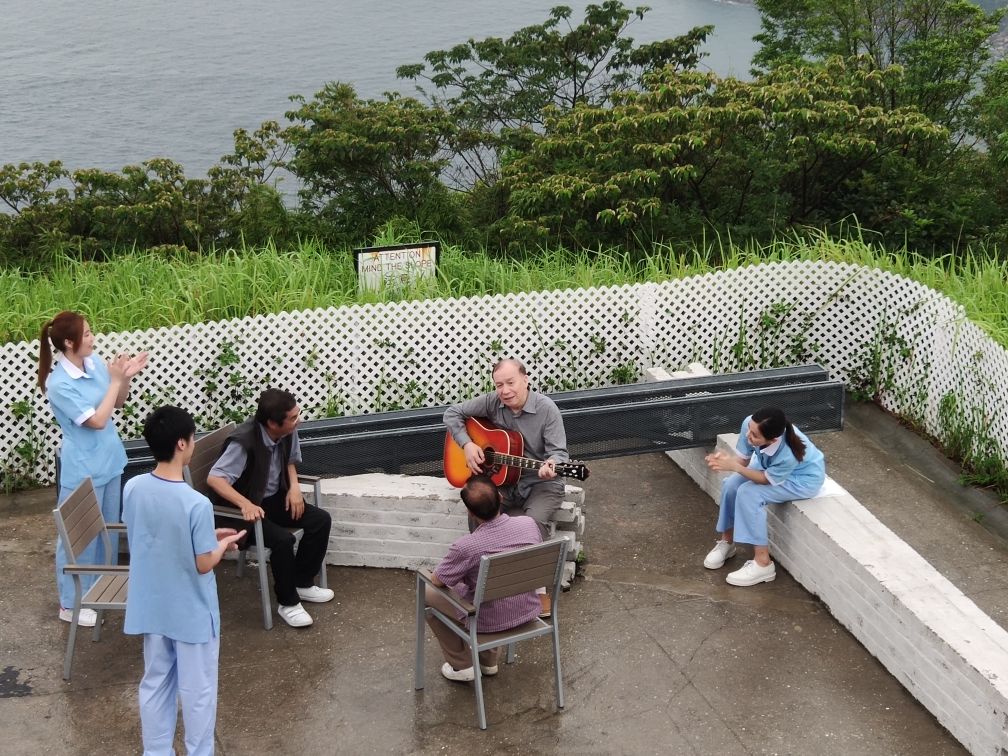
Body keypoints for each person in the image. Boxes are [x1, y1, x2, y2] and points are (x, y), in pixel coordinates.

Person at [123, 406, 244, 756]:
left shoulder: (133, 488)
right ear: (181, 443)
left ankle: (156, 751)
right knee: (198, 691)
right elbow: (203, 563)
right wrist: (218, 545)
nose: (193, 444)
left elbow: (151, 533)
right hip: (191, 612)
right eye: (192, 438)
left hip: (153, 606)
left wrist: (205, 537)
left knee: (156, 683)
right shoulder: (196, 503)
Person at [39, 310, 148, 627]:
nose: (92, 338)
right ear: (69, 342)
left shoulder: (95, 363)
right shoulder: (59, 384)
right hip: (82, 468)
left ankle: (100, 589)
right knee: (78, 536)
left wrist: (124, 379)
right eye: (86, 334)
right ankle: (70, 603)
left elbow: (117, 403)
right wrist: (115, 380)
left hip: (109, 461)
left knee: (106, 532)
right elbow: (97, 421)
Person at [443, 358, 568, 617]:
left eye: (511, 382)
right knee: (479, 511)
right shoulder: (492, 402)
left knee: (533, 524)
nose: (505, 390)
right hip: (505, 481)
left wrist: (551, 466)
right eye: (499, 385)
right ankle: (482, 579)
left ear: (525, 379)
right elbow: (452, 413)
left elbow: (559, 454)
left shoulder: (547, 409)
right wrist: (467, 444)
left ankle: (536, 590)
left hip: (541, 483)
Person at [206, 388, 333, 628]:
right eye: (293, 417)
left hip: (274, 499)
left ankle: (301, 583)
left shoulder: (288, 430)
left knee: (320, 520)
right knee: (283, 541)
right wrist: (245, 504)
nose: (298, 420)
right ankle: (288, 603)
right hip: (242, 511)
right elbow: (215, 479)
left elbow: (290, 460)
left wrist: (294, 487)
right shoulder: (244, 443)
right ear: (273, 423)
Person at [425, 475, 543, 682]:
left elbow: (438, 581)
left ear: (470, 512)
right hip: (528, 609)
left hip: (489, 622)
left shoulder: (467, 546)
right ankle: (488, 661)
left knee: (427, 591)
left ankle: (462, 665)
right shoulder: (529, 524)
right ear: (500, 497)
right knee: (482, 587)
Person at [703, 406, 826, 586]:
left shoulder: (788, 453)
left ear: (773, 439)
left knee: (749, 493)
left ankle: (763, 564)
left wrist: (735, 467)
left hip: (803, 480)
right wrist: (724, 461)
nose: (748, 435)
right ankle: (727, 542)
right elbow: (743, 461)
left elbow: (765, 479)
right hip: (771, 469)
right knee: (731, 485)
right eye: (749, 430)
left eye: (754, 435)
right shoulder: (750, 424)